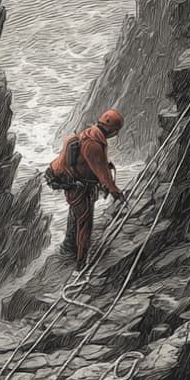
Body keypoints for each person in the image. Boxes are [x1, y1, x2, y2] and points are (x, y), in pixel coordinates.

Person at [47, 109, 126, 265]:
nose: (116, 134)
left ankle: (69, 248)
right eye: (116, 131)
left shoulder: (91, 135)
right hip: (77, 186)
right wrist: (114, 191)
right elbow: (102, 172)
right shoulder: (93, 144)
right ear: (111, 129)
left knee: (77, 216)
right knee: (84, 222)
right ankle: (81, 260)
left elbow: (96, 166)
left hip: (75, 183)